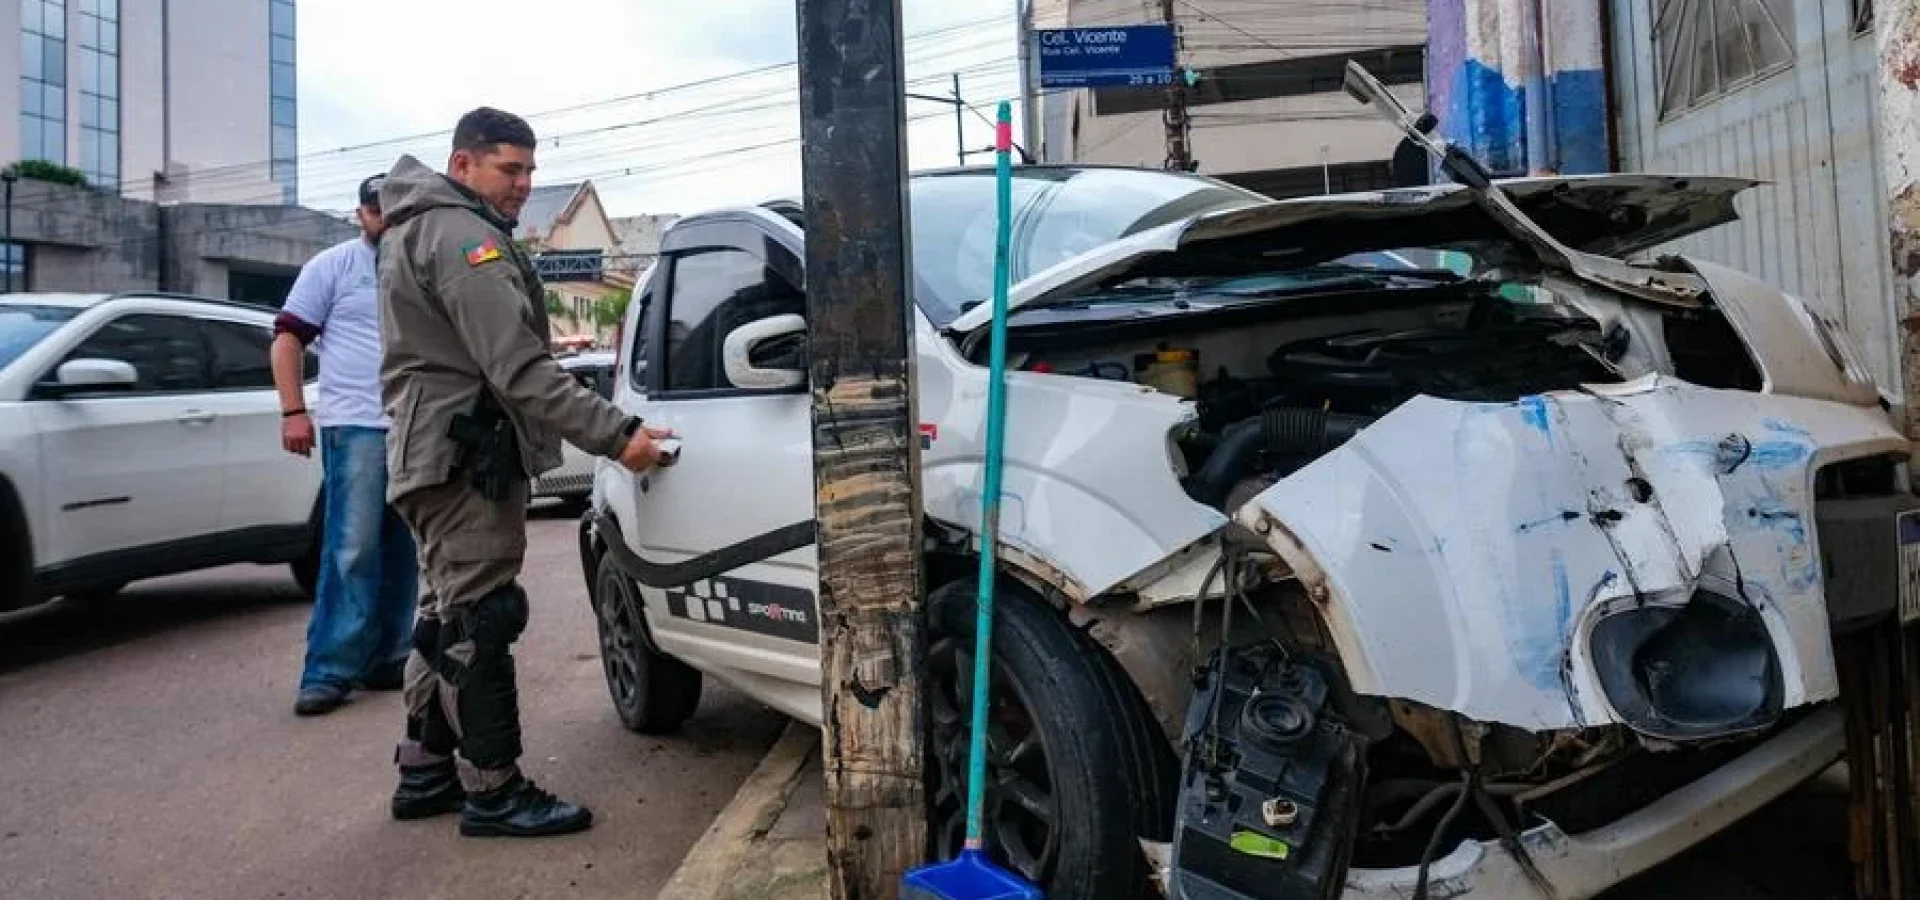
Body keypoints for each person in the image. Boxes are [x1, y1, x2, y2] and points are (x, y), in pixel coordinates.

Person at [373, 107, 672, 838]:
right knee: (480, 620)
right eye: (510, 169)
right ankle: (495, 791)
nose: (523, 184)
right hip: (463, 458)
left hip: (435, 454)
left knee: (447, 617)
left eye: (531, 170)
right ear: (463, 163)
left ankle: (425, 769)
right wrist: (618, 434)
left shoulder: (419, 226)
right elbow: (519, 370)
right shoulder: (459, 237)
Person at [271, 173, 421, 718]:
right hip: (355, 425)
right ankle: (329, 669)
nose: (391, 220)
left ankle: (389, 654)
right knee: (351, 548)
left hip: (413, 427)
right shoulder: (331, 266)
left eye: (400, 211)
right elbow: (287, 339)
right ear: (362, 214)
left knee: (404, 548)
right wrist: (293, 411)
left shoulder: (419, 267)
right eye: (381, 211)